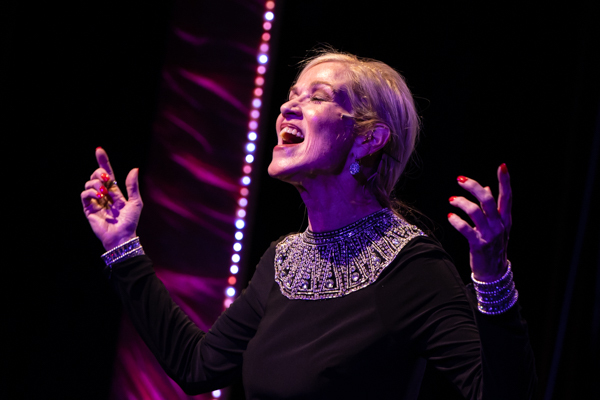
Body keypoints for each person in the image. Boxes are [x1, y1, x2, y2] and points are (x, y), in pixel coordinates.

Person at [81, 51, 536, 399]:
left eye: (315, 97)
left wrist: (493, 277)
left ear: (368, 138)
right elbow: (196, 365)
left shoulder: (413, 269)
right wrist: (124, 249)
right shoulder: (283, 261)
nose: (288, 108)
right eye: (292, 95)